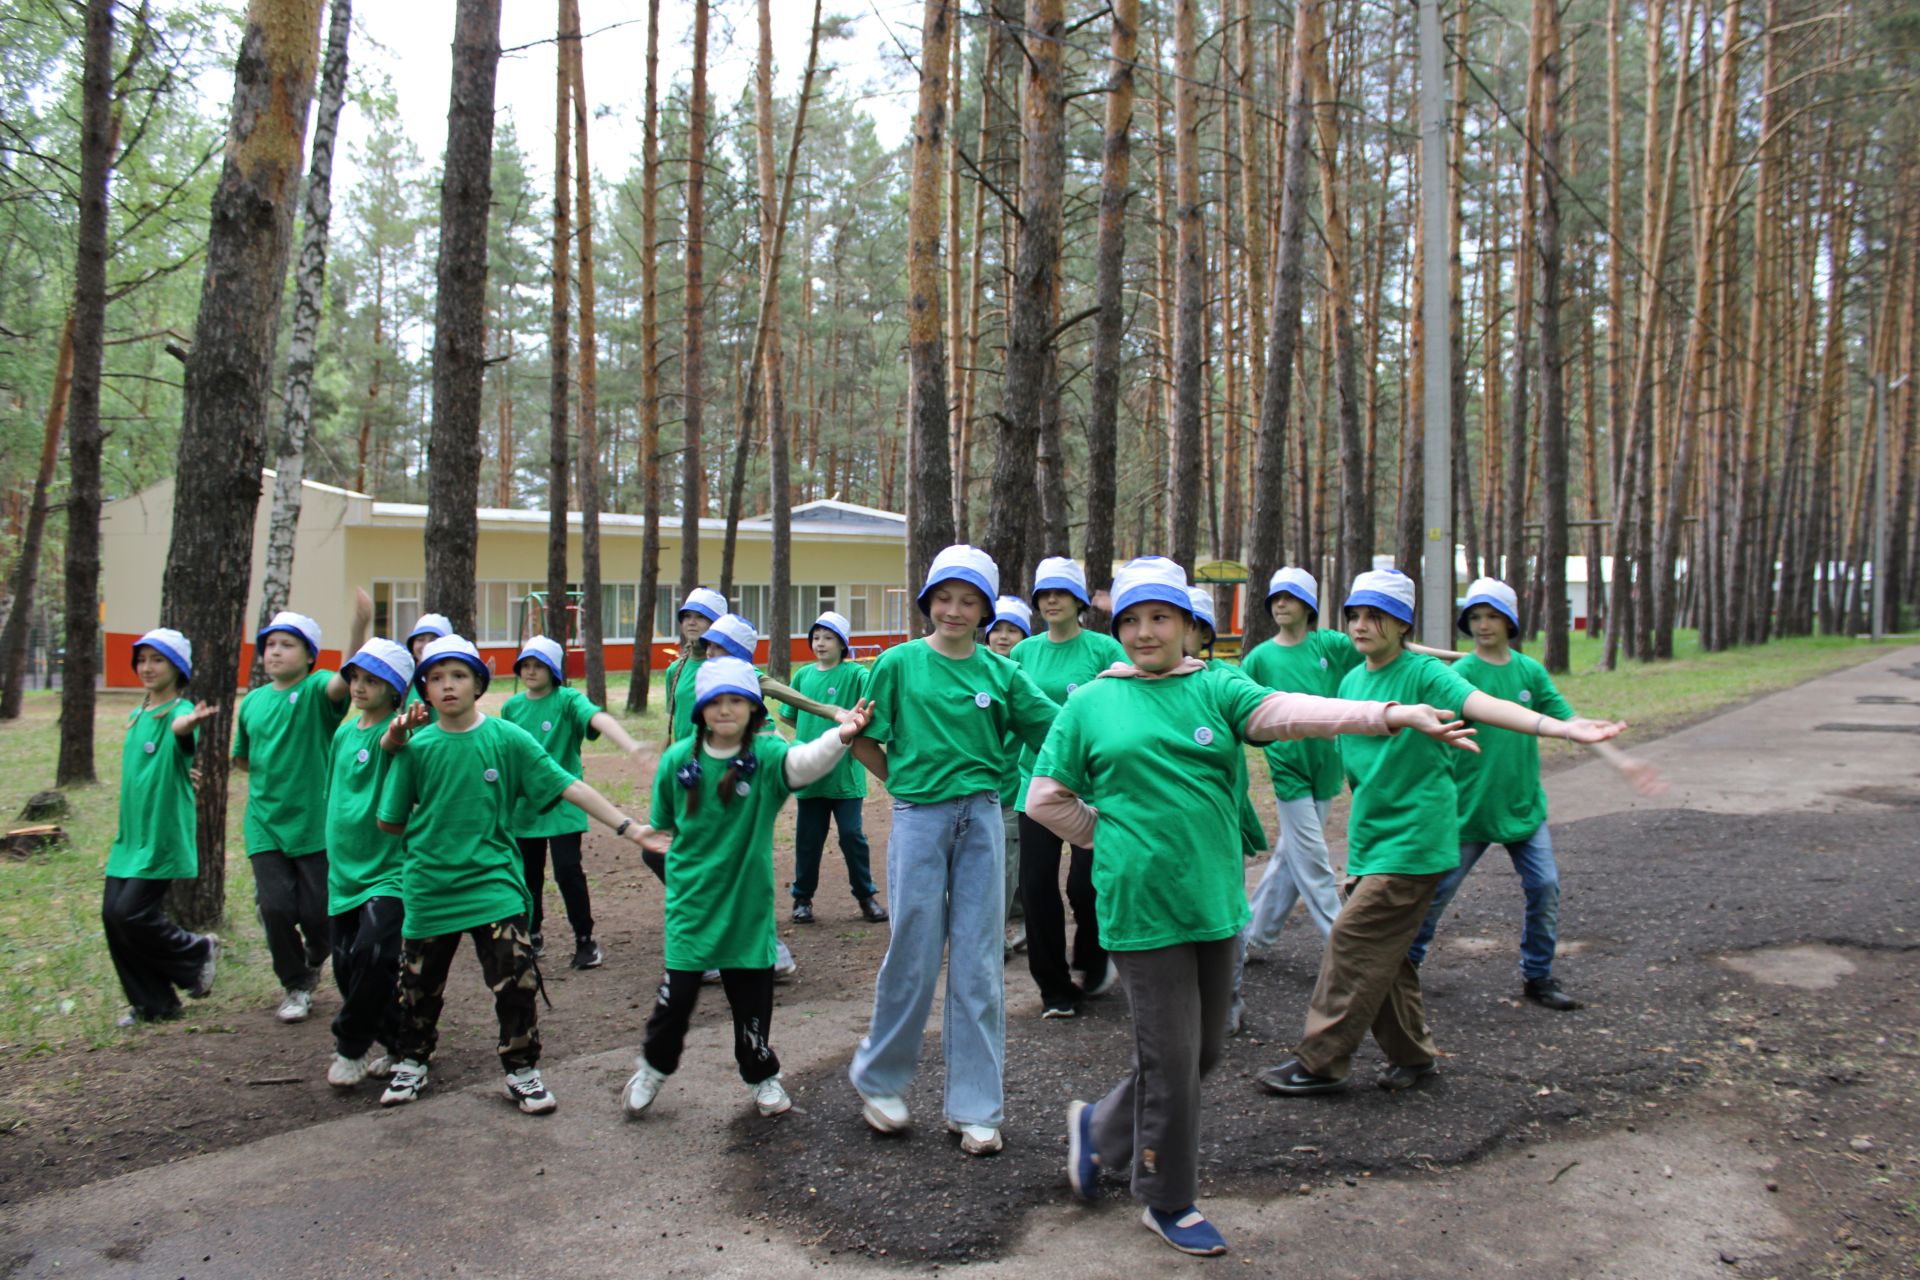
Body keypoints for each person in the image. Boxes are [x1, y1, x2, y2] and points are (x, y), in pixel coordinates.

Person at [1027, 558, 1474, 1257]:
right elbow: (1045, 796)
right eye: (1133, 620)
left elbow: (1291, 712)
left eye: (1160, 618)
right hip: (1140, 908)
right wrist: (1111, 839)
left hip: (1214, 901)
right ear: (1117, 630)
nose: (1146, 632)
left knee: (1199, 1054)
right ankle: (1166, 1197)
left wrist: (1386, 714)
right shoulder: (1092, 702)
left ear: (1186, 627)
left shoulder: (1217, 686)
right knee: (1173, 1064)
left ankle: (1101, 1132)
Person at [1256, 570, 1623, 1100]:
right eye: (1354, 615)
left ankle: (1321, 1062)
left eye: (1374, 615)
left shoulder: (1425, 674)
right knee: (1390, 958)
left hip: (1416, 843)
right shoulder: (1353, 681)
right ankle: (1414, 1055)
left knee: (1353, 942)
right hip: (1371, 840)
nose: (1360, 625)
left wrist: (1560, 727)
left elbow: (1483, 704)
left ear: (1402, 623)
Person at [374, 635, 652, 1113]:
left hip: (494, 884)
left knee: (517, 979)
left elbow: (568, 785)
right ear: (423, 689)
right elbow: (389, 821)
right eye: (435, 678)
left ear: (479, 683)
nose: (447, 686)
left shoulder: (506, 739)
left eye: (458, 676)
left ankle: (522, 1070)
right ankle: (412, 1062)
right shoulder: (415, 749)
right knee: (418, 985)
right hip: (430, 886)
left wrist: (630, 827)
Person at [846, 545, 1059, 1156]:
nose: (955, 610)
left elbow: (1057, 730)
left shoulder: (1002, 674)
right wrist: (909, 785)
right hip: (918, 819)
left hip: (986, 816)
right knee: (912, 945)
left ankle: (975, 1107)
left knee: (979, 959)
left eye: (969, 601)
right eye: (944, 597)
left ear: (987, 609)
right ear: (927, 602)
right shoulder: (896, 665)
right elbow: (863, 739)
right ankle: (882, 1083)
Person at [622, 657, 874, 1119]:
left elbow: (803, 762)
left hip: (748, 909)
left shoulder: (768, 756)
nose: (724, 710)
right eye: (714, 701)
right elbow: (663, 831)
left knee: (751, 1009)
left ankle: (762, 1077)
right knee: (675, 1003)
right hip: (691, 909)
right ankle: (654, 1067)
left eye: (736, 700)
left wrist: (841, 735)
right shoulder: (678, 762)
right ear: (699, 709)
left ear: (753, 709)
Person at [1405, 577, 1663, 1010]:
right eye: (1476, 617)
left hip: (1523, 808)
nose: (1483, 625)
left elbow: (1571, 722)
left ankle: (1538, 976)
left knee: (1544, 886)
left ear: (1510, 623)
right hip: (1470, 812)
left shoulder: (1530, 673)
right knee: (1437, 895)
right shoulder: (1460, 674)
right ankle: (1404, 969)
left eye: (1492, 616)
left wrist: (1622, 761)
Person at [234, 596, 370, 1023]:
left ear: (310, 655)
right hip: (264, 824)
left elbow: (344, 683)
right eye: (270, 644)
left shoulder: (316, 690)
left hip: (314, 823)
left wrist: (358, 628)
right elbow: (242, 758)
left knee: (317, 913)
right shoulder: (252, 702)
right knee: (274, 908)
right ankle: (295, 984)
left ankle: (316, 952)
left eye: (287, 645)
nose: (275, 651)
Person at [1010, 558, 1129, 1019]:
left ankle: (1094, 955)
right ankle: (1055, 990)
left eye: (1061, 592)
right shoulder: (1023, 654)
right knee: (1037, 888)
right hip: (1034, 785)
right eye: (1044, 593)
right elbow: (1011, 713)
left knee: (1086, 886)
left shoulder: (1103, 649)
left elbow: (1124, 704)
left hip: (1091, 790)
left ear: (1079, 600)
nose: (1052, 600)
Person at [502, 635, 649, 968]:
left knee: (568, 871)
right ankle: (532, 933)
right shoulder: (511, 707)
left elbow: (598, 719)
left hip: (565, 804)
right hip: (525, 808)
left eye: (538, 665)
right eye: (526, 664)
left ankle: (585, 940)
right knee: (528, 875)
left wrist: (630, 745)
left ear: (553, 670)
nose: (530, 670)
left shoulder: (567, 700)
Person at [103, 628, 220, 1027]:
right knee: (112, 916)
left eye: (158, 660)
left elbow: (181, 733)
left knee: (131, 913)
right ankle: (155, 1002)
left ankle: (195, 953)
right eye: (142, 659)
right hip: (130, 836)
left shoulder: (178, 714)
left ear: (177, 668)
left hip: (160, 835)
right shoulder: (137, 715)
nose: (147, 667)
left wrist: (186, 725)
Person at [323, 637, 414, 1087]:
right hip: (343, 868)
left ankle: (351, 1045)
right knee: (345, 964)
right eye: (355, 677)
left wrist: (398, 730)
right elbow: (333, 791)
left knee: (374, 953)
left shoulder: (400, 732)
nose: (358, 686)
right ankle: (404, 1044)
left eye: (372, 680)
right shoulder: (343, 732)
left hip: (388, 869)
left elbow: (393, 741)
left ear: (395, 690)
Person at [780, 611, 887, 925]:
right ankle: (802, 899)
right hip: (810, 777)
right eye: (816, 637)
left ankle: (866, 897)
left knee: (852, 836)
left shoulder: (855, 675)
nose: (820, 643)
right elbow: (789, 714)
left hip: (846, 778)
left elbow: (872, 705)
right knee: (808, 840)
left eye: (828, 638)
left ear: (843, 644)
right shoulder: (802, 676)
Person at [984, 597, 1031, 958]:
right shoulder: (974, 672)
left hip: (1014, 791)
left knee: (1009, 866)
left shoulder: (1025, 680)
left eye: (1011, 629)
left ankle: (998, 933)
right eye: (996, 629)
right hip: (976, 789)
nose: (1002, 637)